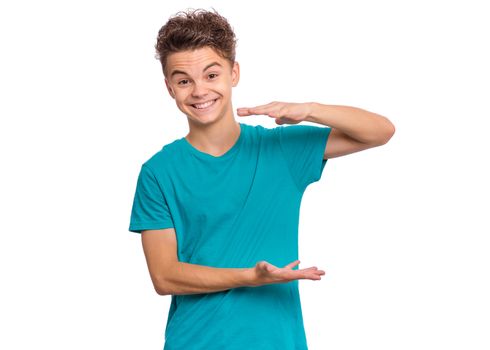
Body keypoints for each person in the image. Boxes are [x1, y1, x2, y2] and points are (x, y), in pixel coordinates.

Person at [128, 8, 395, 350]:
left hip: (277, 340)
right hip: (195, 340)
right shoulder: (158, 172)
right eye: (184, 80)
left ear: (233, 73)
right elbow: (165, 276)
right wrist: (250, 277)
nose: (198, 91)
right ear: (170, 87)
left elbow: (380, 132)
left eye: (211, 75)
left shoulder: (280, 150)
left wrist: (310, 109)